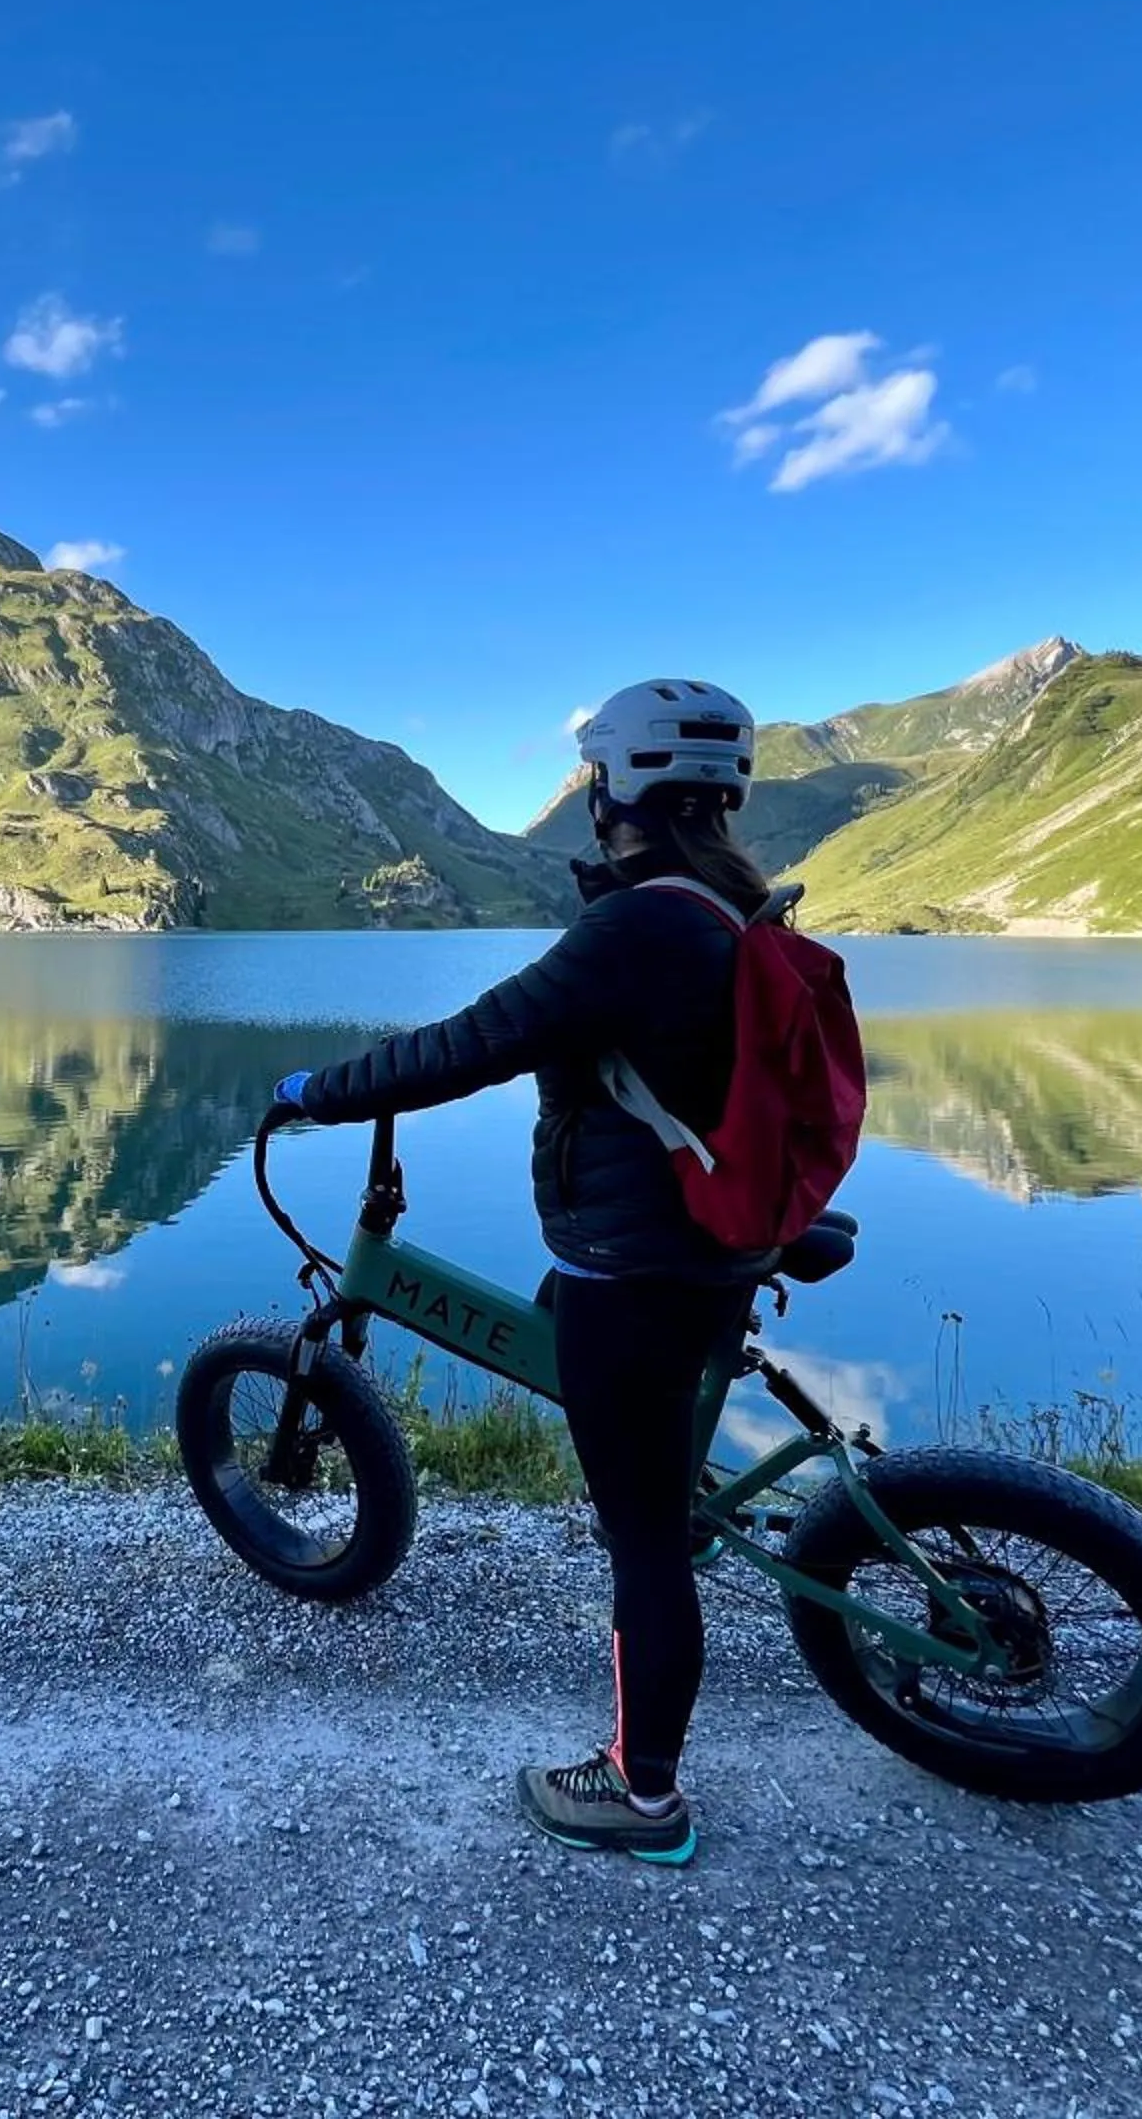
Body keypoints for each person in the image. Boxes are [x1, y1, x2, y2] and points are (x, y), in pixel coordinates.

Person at [270, 678, 775, 1866]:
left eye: (598, 780)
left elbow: (474, 1044)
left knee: (640, 1540)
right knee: (632, 1423)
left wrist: (317, 1093)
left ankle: (642, 1796)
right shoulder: (730, 905)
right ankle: (682, 1491)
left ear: (620, 788)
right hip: (710, 1240)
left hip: (637, 1262)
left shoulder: (637, 924)